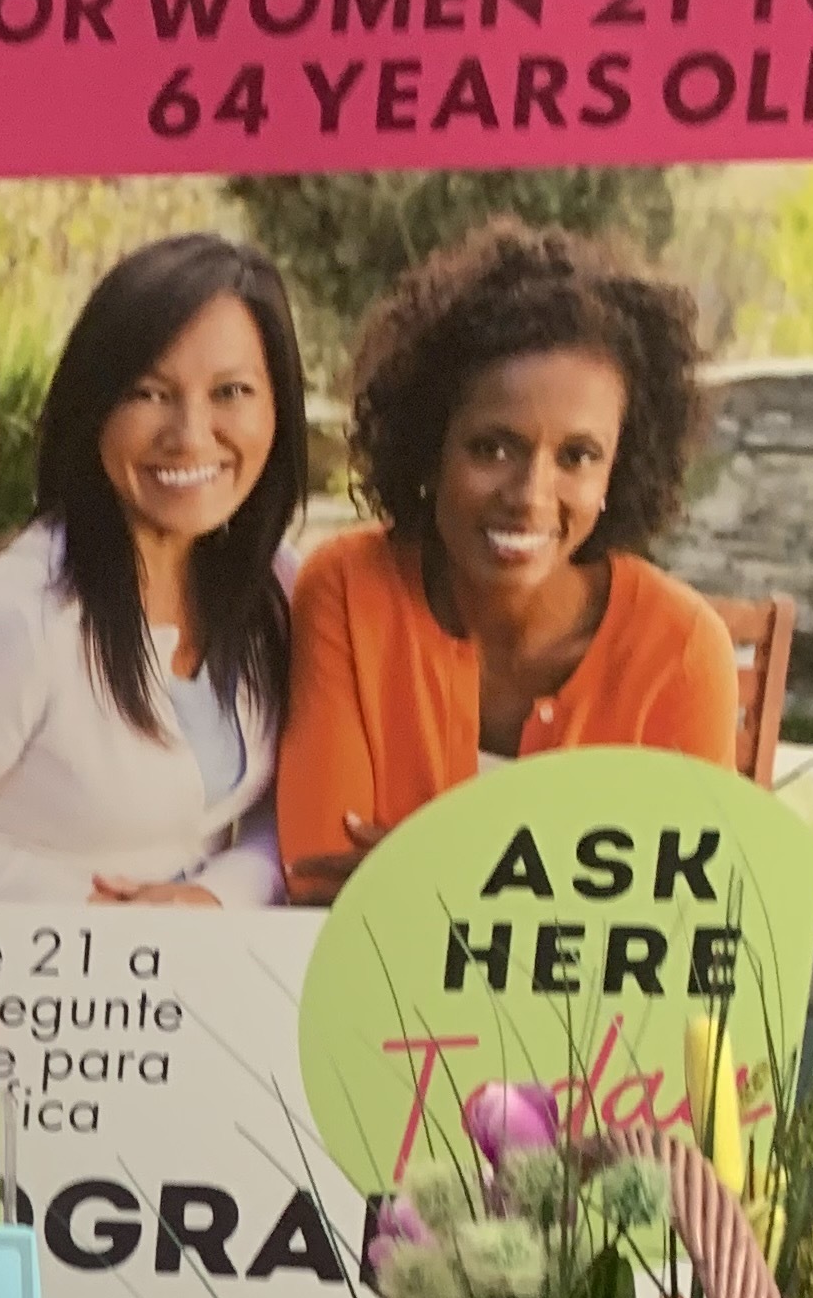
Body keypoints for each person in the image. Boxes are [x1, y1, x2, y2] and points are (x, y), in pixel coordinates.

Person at [0, 234, 306, 909]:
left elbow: (279, 811)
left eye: (231, 391)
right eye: (149, 392)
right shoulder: (22, 620)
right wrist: (82, 907)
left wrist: (216, 896)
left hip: (178, 987)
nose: (191, 434)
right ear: (95, 409)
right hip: (25, 989)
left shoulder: (276, 590)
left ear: (277, 409)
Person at [276, 221, 738, 905]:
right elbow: (319, 880)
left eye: (577, 457)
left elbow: (676, 929)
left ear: (620, 468)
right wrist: (561, 899)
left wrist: (417, 875)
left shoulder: (683, 651)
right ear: (432, 444)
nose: (529, 496)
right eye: (493, 448)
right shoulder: (350, 590)